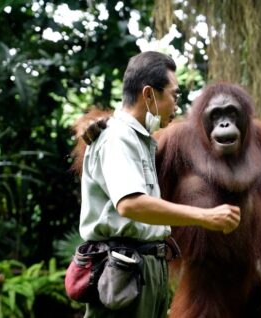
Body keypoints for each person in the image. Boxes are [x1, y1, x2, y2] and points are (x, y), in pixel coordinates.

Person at [78, 51, 241, 317]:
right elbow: (130, 204)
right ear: (149, 95)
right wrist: (205, 216)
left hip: (148, 266)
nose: (176, 105)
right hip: (122, 268)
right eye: (174, 95)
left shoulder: (145, 140)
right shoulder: (117, 137)